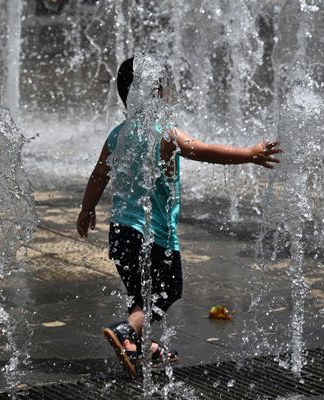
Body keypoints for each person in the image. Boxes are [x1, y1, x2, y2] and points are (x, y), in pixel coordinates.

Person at [76, 56, 282, 376]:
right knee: (169, 289)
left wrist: (87, 209)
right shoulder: (165, 133)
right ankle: (125, 331)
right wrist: (249, 155)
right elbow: (205, 150)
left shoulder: (118, 133)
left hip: (120, 232)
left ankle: (136, 345)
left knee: (141, 295)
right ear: (157, 91)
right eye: (168, 85)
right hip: (154, 236)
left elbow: (98, 175)